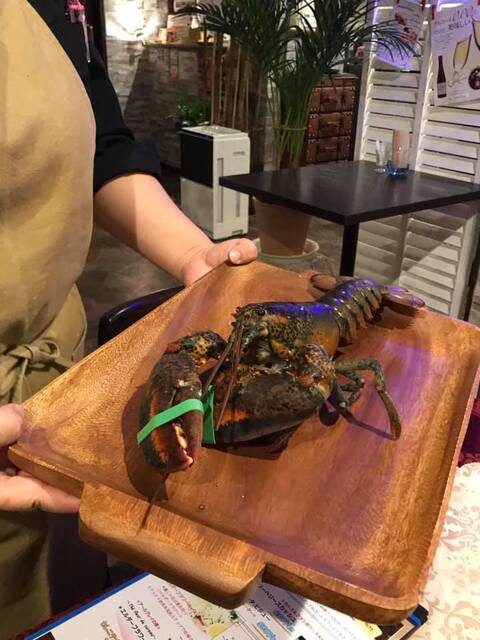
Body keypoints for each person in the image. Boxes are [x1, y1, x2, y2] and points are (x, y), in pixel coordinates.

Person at [0, 0, 256, 636]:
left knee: (56, 597)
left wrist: (193, 253)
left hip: (52, 388)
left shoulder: (52, 7)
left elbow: (103, 148)